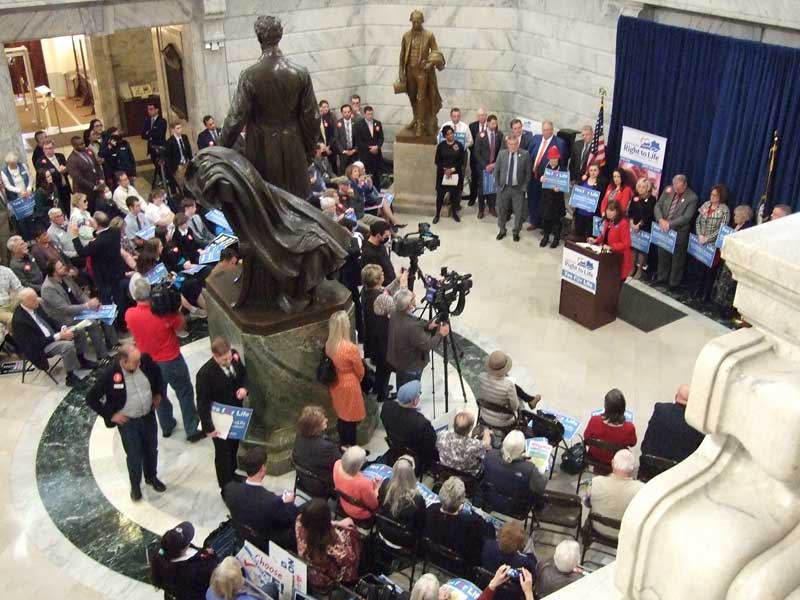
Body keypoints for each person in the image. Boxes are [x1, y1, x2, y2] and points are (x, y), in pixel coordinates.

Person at [220, 16, 319, 199]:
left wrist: (220, 149)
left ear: (259, 37)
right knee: (297, 207)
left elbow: (235, 118)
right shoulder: (300, 73)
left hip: (262, 150)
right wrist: (308, 153)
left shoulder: (250, 76)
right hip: (294, 146)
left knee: (268, 207)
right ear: (280, 36)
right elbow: (312, 118)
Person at [85, 344, 167, 500]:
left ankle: (151, 477)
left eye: (139, 361)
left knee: (151, 449)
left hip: (148, 416)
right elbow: (91, 398)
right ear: (123, 361)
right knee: (134, 455)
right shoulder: (111, 374)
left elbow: (158, 376)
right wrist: (111, 415)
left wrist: (158, 394)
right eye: (135, 362)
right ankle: (135, 486)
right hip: (129, 423)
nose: (138, 364)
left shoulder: (145, 361)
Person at [126, 276, 202, 441]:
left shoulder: (129, 314)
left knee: (158, 394)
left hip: (147, 363)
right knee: (184, 392)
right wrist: (177, 310)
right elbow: (182, 328)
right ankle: (192, 429)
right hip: (171, 360)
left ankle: (166, 426)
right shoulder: (164, 313)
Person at [222, 447, 298, 550]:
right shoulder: (272, 502)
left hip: (243, 533)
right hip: (266, 542)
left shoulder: (230, 489)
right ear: (262, 468)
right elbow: (290, 517)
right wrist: (289, 503)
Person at [197, 337, 248, 488]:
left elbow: (244, 374)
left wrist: (244, 389)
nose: (228, 361)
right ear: (215, 356)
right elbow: (202, 404)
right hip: (219, 419)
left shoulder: (234, 356)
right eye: (224, 360)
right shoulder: (205, 374)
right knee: (222, 454)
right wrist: (209, 428)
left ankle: (232, 473)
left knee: (234, 447)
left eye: (229, 357)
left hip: (236, 413)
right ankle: (225, 485)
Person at [41, 259, 116, 363]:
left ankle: (113, 343)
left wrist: (91, 303)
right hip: (64, 318)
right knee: (92, 323)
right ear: (54, 273)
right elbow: (65, 309)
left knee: (105, 312)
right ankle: (102, 355)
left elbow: (79, 294)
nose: (64, 267)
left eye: (63, 265)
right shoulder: (48, 288)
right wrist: (87, 305)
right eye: (61, 267)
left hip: (78, 309)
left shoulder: (66, 277)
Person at [11, 287, 82, 386]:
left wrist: (62, 327)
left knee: (77, 330)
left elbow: (49, 320)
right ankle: (70, 377)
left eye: (36, 297)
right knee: (67, 346)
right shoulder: (19, 321)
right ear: (24, 302)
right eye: (34, 300)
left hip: (51, 335)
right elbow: (36, 343)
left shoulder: (35, 305)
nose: (38, 301)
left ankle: (81, 359)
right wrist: (59, 336)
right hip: (41, 347)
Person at [425, 476, 496, 571]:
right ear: (462, 499)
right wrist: (479, 517)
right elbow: (490, 535)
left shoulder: (431, 510)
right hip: (459, 567)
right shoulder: (472, 523)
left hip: (432, 557)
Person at [361, 264, 407, 403]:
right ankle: (383, 394)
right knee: (387, 365)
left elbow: (385, 291)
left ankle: (379, 387)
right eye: (381, 274)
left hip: (372, 337)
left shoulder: (366, 291)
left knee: (382, 366)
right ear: (377, 279)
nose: (383, 275)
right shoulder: (380, 299)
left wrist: (397, 281)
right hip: (383, 339)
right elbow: (401, 307)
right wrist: (403, 287)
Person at [295, 498, 361, 593]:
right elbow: (348, 570)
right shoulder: (337, 549)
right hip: (327, 583)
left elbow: (316, 526)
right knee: (352, 533)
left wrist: (338, 523)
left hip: (308, 571)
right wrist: (342, 537)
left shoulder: (299, 522)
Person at [387, 288, 449, 387]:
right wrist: (441, 333)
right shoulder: (412, 326)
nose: (415, 298)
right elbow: (428, 344)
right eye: (412, 299)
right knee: (409, 391)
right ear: (409, 305)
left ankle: (402, 397)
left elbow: (408, 328)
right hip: (411, 365)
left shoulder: (394, 311)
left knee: (402, 385)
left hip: (399, 359)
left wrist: (427, 325)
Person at [398, 10, 445, 137]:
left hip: (423, 72)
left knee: (421, 97)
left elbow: (436, 52)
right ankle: (416, 117)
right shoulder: (406, 36)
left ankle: (420, 124)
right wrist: (401, 72)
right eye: (414, 21)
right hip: (409, 71)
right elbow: (402, 55)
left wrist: (430, 64)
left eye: (418, 21)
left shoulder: (429, 35)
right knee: (412, 96)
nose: (416, 23)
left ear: (422, 21)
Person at [71, 211, 129, 311]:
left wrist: (75, 236)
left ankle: (115, 320)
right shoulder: (115, 231)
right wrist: (94, 228)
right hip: (117, 270)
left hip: (105, 278)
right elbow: (100, 233)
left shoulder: (97, 243)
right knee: (121, 297)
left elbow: (82, 252)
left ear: (97, 224)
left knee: (110, 302)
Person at [325, 310, 365, 447]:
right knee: (351, 420)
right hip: (349, 384)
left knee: (342, 416)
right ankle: (352, 449)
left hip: (335, 383)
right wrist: (359, 378)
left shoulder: (329, 345)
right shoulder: (350, 348)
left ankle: (343, 446)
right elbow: (360, 370)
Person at [480, 430, 547, 514]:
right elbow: (541, 487)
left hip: (490, 500)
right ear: (523, 449)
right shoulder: (529, 468)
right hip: (517, 508)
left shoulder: (490, 455)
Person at [381, 380, 439, 474]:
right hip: (414, 461)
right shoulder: (422, 423)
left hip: (394, 450)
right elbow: (431, 447)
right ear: (415, 401)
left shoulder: (386, 407)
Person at [149, 521, 218, 600]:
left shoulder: (160, 559)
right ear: (183, 548)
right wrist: (212, 556)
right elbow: (214, 572)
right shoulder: (195, 568)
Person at [653, 174, 699, 289]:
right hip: (663, 229)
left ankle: (674, 283)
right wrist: (660, 219)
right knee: (663, 254)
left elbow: (686, 217)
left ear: (685, 185)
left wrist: (669, 224)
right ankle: (661, 277)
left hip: (679, 232)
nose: (676, 190)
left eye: (679, 188)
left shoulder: (692, 197)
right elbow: (658, 205)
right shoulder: (668, 190)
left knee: (677, 259)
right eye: (675, 187)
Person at [585, 449, 644, 538]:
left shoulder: (595, 482)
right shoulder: (641, 489)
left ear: (612, 463)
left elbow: (587, 503)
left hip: (598, 527)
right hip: (624, 533)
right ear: (632, 469)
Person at [478, 350, 540, 431]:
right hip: (504, 422)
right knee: (517, 398)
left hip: (485, 416)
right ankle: (531, 400)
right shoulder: (508, 385)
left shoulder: (481, 377)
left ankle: (531, 399)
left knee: (511, 386)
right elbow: (515, 407)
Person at [641, 383, 704, 462]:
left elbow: (646, 443)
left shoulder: (660, 409)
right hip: (679, 472)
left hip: (649, 468)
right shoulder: (698, 424)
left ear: (676, 396)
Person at [712, 204, 754, 317]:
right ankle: (718, 305)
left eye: (736, 215)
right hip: (724, 258)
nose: (734, 217)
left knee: (728, 286)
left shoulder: (747, 229)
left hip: (735, 262)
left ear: (744, 216)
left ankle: (726, 310)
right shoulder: (732, 225)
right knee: (721, 282)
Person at [292, 405, 342, 497]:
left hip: (304, 479)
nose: (326, 420)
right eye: (323, 419)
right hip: (322, 485)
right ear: (315, 426)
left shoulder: (299, 436)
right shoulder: (326, 447)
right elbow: (342, 466)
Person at [692, 184, 731, 301]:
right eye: (711, 194)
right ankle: (697, 289)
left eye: (715, 195)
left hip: (712, 245)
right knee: (700, 269)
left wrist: (707, 239)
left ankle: (706, 293)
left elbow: (722, 229)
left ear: (721, 197)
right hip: (700, 241)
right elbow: (698, 221)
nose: (712, 197)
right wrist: (699, 235)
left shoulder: (724, 210)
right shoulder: (706, 204)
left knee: (709, 271)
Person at [526, 120, 567, 230]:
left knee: (545, 203)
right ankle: (534, 221)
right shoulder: (536, 138)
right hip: (533, 176)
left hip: (547, 180)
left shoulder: (559, 143)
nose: (546, 132)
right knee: (532, 199)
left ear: (552, 130)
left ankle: (545, 226)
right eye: (544, 130)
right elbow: (529, 154)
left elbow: (561, 163)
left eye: (548, 130)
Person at [481, 521, 537, 600]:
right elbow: (532, 581)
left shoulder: (488, 545)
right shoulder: (526, 562)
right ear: (521, 545)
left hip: (488, 589)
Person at [377, 455, 426, 544]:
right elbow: (421, 525)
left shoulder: (385, 484)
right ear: (412, 473)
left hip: (383, 530)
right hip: (403, 540)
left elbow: (379, 504)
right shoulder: (418, 499)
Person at [583, 388, 637, 467]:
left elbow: (586, 437)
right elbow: (633, 443)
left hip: (594, 457)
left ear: (606, 406)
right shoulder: (629, 428)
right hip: (617, 461)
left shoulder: (594, 420)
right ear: (623, 408)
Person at [494, 135, 531, 242]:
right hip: (503, 188)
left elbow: (528, 173)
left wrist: (524, 187)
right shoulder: (502, 154)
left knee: (518, 212)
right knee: (501, 211)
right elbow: (496, 171)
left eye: (515, 144)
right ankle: (502, 230)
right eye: (510, 144)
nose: (513, 146)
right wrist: (498, 185)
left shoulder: (525, 154)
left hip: (518, 189)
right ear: (507, 144)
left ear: (518, 144)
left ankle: (516, 232)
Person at [589, 199, 633, 282]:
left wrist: (611, 247)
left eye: (611, 210)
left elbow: (626, 243)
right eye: (607, 209)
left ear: (617, 212)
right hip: (607, 256)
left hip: (619, 259)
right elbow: (604, 235)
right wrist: (595, 240)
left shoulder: (623, 223)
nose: (608, 212)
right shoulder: (607, 221)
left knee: (615, 285)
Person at [436, 411, 491, 476]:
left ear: (453, 425)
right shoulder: (475, 445)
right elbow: (487, 444)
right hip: (467, 475)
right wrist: (486, 431)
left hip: (445, 470)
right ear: (470, 429)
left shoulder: (441, 435)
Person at [333, 445, 379, 521]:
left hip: (344, 504)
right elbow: (374, 506)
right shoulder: (362, 483)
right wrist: (376, 490)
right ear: (359, 466)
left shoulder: (337, 464)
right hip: (360, 513)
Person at [433, 125, 465, 224]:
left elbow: (461, 160)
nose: (450, 135)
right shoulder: (441, 146)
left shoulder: (459, 145)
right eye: (448, 134)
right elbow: (437, 161)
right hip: (443, 174)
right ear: (444, 136)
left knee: (454, 195)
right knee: (440, 196)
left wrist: (452, 169)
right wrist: (445, 169)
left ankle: (454, 213)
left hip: (454, 174)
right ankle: (437, 214)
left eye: (451, 133)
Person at [537, 145, 567, 249]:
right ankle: (545, 237)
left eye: (555, 158)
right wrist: (541, 179)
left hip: (557, 200)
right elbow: (539, 177)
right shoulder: (544, 168)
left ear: (558, 158)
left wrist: (560, 188)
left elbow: (565, 185)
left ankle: (556, 239)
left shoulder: (563, 169)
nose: (554, 160)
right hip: (546, 199)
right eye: (552, 158)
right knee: (546, 220)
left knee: (556, 221)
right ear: (548, 158)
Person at [473, 114, 503, 219]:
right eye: (493, 123)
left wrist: (495, 164)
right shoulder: (481, 135)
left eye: (496, 123)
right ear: (488, 123)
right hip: (483, 167)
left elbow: (501, 151)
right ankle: (481, 209)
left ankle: (492, 207)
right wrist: (486, 166)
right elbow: (476, 153)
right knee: (482, 189)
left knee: (493, 189)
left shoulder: (499, 135)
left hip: (495, 167)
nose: (494, 125)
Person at [66, 136, 104, 214]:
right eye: (80, 144)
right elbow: (78, 178)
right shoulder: (71, 160)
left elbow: (97, 166)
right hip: (84, 192)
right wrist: (93, 187)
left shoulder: (89, 152)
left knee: (99, 210)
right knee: (89, 213)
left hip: (97, 189)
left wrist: (101, 179)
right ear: (74, 146)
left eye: (83, 143)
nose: (83, 145)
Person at [206, 556, 273, 600]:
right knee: (272, 587)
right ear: (234, 586)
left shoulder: (210, 591)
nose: (243, 580)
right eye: (239, 579)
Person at [628, 177, 656, 280]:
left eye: (643, 187)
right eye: (639, 186)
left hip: (644, 227)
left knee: (641, 250)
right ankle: (632, 267)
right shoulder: (635, 197)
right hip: (633, 226)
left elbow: (648, 215)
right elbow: (630, 211)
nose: (640, 188)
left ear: (647, 188)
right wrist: (631, 223)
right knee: (633, 248)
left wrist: (639, 225)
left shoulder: (652, 199)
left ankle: (640, 270)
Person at [3, 151, 34, 240]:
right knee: (21, 221)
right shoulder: (4, 172)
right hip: (16, 199)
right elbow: (7, 185)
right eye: (11, 164)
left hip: (27, 195)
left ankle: (33, 237)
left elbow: (30, 178)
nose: (13, 165)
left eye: (14, 163)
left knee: (30, 217)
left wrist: (28, 188)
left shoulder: (22, 166)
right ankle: (26, 239)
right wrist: (20, 191)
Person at [37, 140, 72, 215]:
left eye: (50, 148)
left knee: (68, 207)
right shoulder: (40, 161)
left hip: (65, 186)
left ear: (54, 148)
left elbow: (68, 169)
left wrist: (65, 170)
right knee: (59, 210)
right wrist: (58, 172)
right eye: (46, 149)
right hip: (54, 189)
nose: (48, 150)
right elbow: (43, 176)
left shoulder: (60, 156)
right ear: (43, 149)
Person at [353, 106, 385, 190]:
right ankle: (367, 190)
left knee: (376, 174)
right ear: (364, 114)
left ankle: (377, 190)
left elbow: (381, 137)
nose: (370, 116)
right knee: (365, 174)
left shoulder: (377, 123)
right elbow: (359, 141)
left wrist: (377, 146)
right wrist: (369, 148)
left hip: (376, 154)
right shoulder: (358, 125)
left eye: (371, 114)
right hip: (365, 154)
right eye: (368, 114)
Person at [141, 100, 168, 178]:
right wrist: (151, 135)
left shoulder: (162, 121)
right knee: (156, 166)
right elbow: (142, 134)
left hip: (160, 147)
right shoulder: (147, 120)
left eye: (151, 109)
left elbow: (160, 134)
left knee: (163, 167)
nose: (149, 111)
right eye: (148, 109)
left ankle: (165, 180)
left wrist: (150, 134)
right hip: (151, 147)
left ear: (157, 110)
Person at [468, 108, 489, 206]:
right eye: (480, 115)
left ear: (486, 116)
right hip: (474, 158)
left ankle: (486, 200)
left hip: (486, 159)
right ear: (477, 116)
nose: (482, 117)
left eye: (483, 115)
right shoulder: (472, 126)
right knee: (474, 177)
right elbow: (470, 141)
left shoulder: (490, 126)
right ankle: (472, 198)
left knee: (486, 179)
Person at [166, 122, 194, 194]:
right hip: (178, 165)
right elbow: (169, 157)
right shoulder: (170, 141)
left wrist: (191, 160)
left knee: (190, 181)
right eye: (177, 128)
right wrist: (175, 167)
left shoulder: (184, 137)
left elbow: (189, 149)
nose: (180, 130)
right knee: (182, 184)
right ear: (173, 130)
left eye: (180, 128)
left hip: (186, 163)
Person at [334, 104, 359, 174]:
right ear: (342, 113)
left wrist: (355, 149)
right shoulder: (338, 123)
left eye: (348, 112)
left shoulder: (356, 122)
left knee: (355, 171)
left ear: (351, 112)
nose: (347, 114)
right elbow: (336, 139)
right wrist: (343, 151)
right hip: (343, 154)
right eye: (345, 112)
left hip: (354, 152)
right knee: (343, 171)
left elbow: (358, 138)